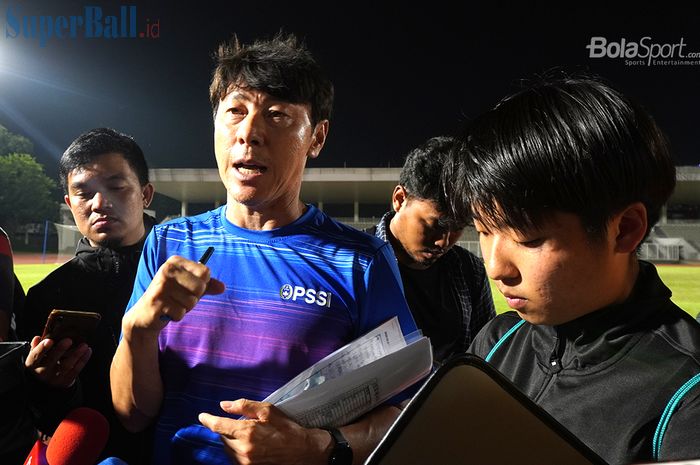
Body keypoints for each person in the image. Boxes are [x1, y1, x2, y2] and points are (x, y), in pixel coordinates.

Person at [110, 34, 418, 465]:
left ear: (317, 137)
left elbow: (406, 411)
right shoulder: (167, 243)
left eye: (277, 115)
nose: (249, 133)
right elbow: (133, 416)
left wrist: (317, 446)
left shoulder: (360, 260)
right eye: (235, 111)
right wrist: (136, 333)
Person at [447, 75, 700, 464]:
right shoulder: (498, 339)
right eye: (482, 231)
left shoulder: (688, 389)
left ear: (625, 229)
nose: (496, 267)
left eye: (528, 239)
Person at [19, 128, 156, 464]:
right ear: (69, 202)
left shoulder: (182, 278)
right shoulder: (45, 296)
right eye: (83, 193)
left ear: (146, 194)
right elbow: (42, 419)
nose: (99, 203)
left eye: (116, 186)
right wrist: (46, 385)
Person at [365, 137, 495, 363]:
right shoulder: (352, 259)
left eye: (457, 228)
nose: (443, 242)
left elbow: (486, 355)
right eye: (434, 225)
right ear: (399, 199)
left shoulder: (469, 270)